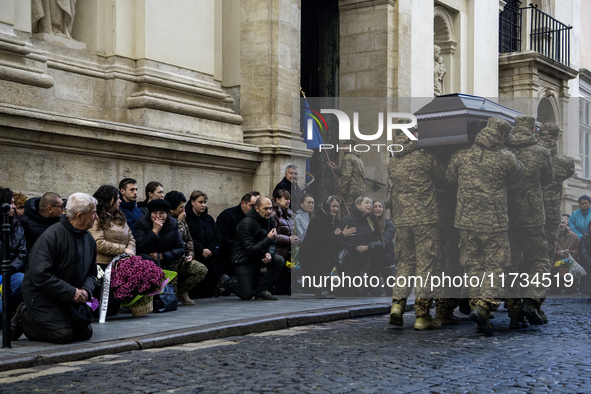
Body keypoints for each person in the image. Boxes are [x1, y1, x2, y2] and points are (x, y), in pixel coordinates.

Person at [446, 117, 524, 336]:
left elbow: (450, 178)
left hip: (465, 221)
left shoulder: (461, 156)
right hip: (494, 223)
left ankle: (480, 315)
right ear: (502, 135)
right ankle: (484, 305)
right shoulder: (506, 158)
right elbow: (520, 174)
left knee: (473, 267)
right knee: (496, 266)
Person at [12, 193, 98, 344]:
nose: (96, 217)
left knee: (85, 332)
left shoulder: (89, 239)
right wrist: (71, 292)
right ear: (79, 215)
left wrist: (85, 290)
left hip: (69, 297)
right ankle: (26, 314)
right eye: (93, 213)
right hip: (43, 296)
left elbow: (92, 273)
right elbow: (39, 275)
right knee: (63, 335)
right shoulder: (51, 236)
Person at [387, 130, 445, 330]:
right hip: (425, 220)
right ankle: (422, 315)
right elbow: (443, 177)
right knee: (426, 267)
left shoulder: (392, 163)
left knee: (405, 263)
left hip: (401, 220)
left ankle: (397, 304)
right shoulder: (426, 158)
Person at [505, 115, 554, 328]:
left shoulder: (504, 151)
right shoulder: (542, 153)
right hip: (532, 215)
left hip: (507, 215)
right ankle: (532, 301)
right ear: (534, 129)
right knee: (539, 260)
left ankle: (514, 314)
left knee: (512, 264)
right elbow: (547, 179)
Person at [217, 197, 284, 301]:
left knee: (278, 260)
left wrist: (269, 253)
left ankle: (261, 290)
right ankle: (226, 281)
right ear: (257, 209)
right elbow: (250, 249)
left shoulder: (271, 221)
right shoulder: (246, 223)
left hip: (257, 256)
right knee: (247, 295)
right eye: (265, 208)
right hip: (242, 260)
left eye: (270, 208)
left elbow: (273, 242)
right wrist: (268, 239)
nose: (269, 211)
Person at [298, 196, 355, 297]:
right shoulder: (318, 219)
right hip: (310, 257)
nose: (336, 209)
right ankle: (319, 288)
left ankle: (317, 287)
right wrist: (342, 235)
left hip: (319, 255)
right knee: (330, 258)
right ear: (327, 205)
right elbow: (325, 240)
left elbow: (331, 237)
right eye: (333, 206)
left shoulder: (329, 218)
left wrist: (337, 235)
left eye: (337, 206)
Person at [537, 123, 575, 263]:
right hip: (550, 212)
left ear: (538, 135)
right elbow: (570, 169)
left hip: (525, 210)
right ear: (556, 138)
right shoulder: (563, 162)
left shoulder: (526, 157)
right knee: (545, 257)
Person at [164, 191, 209, 306]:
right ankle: (175, 294)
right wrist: (180, 221)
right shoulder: (166, 219)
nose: (183, 210)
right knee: (170, 301)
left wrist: (190, 254)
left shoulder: (183, 219)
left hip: (182, 260)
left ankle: (182, 292)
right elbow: (173, 239)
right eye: (181, 207)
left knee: (201, 269)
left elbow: (188, 240)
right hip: (170, 263)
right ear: (172, 209)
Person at [337, 196, 379, 296]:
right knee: (350, 292)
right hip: (350, 259)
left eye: (370, 203)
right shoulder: (347, 220)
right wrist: (353, 247)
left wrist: (368, 246)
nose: (369, 205)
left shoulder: (368, 221)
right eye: (367, 202)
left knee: (362, 290)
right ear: (358, 205)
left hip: (365, 260)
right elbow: (337, 240)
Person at [185, 190, 221, 298]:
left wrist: (211, 249)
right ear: (192, 202)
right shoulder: (186, 219)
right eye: (200, 202)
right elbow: (188, 238)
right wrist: (201, 250)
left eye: (205, 202)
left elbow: (217, 237)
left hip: (209, 256)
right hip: (195, 255)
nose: (203, 205)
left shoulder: (208, 219)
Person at [133, 199, 185, 275]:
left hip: (169, 263)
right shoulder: (141, 223)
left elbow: (181, 248)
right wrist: (154, 231)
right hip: (149, 266)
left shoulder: (173, 223)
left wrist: (162, 256)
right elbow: (139, 248)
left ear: (167, 214)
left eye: (161, 213)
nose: (158, 216)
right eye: (154, 213)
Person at [89, 185, 136, 269]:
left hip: (122, 263)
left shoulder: (120, 217)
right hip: (103, 264)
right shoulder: (96, 218)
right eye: (117, 198)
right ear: (109, 200)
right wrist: (123, 250)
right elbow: (98, 243)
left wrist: (130, 252)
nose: (120, 201)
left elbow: (131, 238)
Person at [216, 193, 257, 281]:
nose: (253, 210)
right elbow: (222, 238)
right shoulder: (227, 215)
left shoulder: (252, 218)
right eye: (251, 206)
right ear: (243, 203)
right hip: (227, 255)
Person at [0, 188, 27, 317]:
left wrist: (9, 269)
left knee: (23, 280)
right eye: (10, 203)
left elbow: (22, 253)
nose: (14, 207)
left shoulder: (17, 226)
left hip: (11, 272)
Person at [271, 189, 298, 295]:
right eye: (286, 199)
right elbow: (272, 235)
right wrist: (289, 239)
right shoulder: (273, 214)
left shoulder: (289, 213)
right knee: (278, 288)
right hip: (278, 251)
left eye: (289, 199)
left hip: (287, 251)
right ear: (277, 200)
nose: (288, 202)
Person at [330, 140, 365, 211]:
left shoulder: (348, 157)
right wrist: (335, 168)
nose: (343, 148)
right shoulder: (358, 158)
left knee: (346, 211)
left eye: (345, 145)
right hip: (359, 190)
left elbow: (346, 175)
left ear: (349, 146)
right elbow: (349, 173)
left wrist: (342, 190)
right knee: (357, 211)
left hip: (350, 191)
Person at [368, 200, 396, 292]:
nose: (378, 209)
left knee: (391, 291)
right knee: (376, 292)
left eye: (380, 206)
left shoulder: (389, 224)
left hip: (386, 259)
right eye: (375, 206)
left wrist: (370, 245)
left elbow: (386, 242)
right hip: (373, 261)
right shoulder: (367, 223)